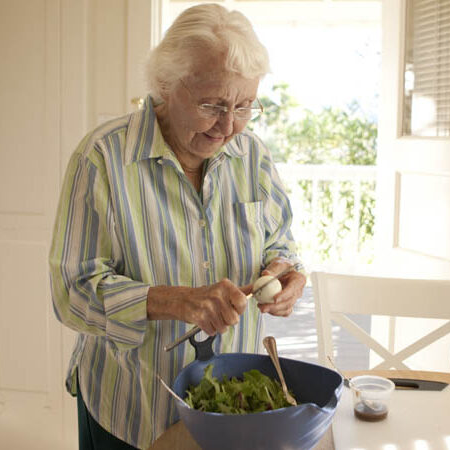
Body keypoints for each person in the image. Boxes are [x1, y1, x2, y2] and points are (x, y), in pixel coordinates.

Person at [48, 4, 306, 449]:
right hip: (131, 407)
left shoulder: (253, 155)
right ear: (165, 84)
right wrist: (178, 301)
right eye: (213, 105)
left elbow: (279, 241)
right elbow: (71, 293)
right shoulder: (103, 159)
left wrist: (285, 272)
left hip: (229, 408)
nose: (229, 127)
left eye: (245, 106)